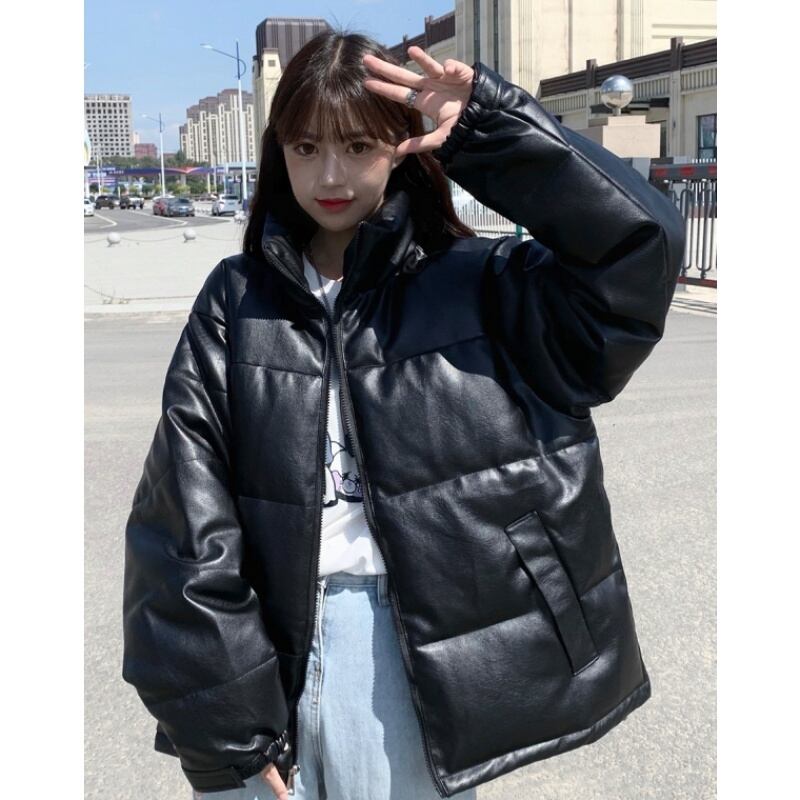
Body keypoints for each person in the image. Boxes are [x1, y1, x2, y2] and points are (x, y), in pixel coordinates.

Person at [122, 29, 685, 800]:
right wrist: (224, 712)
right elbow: (184, 519)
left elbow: (639, 252)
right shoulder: (237, 298)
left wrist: (492, 132)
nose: (329, 174)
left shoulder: (484, 286)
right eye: (306, 146)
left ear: (403, 147)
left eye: (358, 145)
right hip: (258, 646)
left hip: (408, 650)